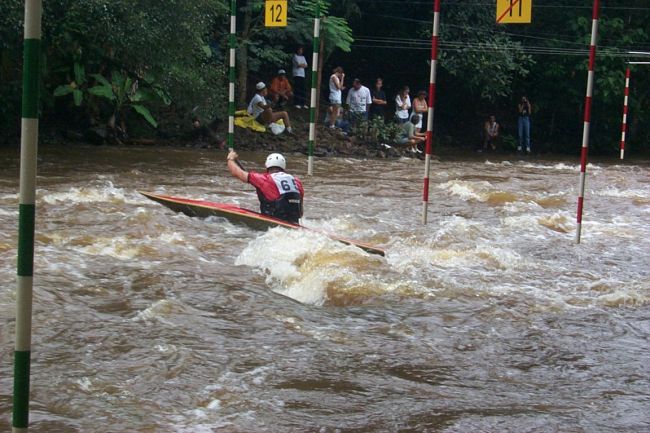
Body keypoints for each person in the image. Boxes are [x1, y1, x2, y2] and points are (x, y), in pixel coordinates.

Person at [226, 150, 304, 224]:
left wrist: (230, 159)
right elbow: (301, 212)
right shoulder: (297, 182)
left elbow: (237, 173)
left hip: (275, 220)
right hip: (294, 222)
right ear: (283, 167)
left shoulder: (264, 179)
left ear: (267, 166)